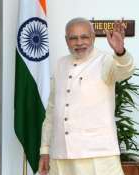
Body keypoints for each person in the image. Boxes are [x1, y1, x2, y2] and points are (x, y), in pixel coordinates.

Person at [38, 17, 135, 175]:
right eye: (73, 38)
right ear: (66, 40)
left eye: (84, 37)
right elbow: (52, 111)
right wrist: (45, 150)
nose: (79, 42)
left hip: (98, 155)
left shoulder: (106, 61)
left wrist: (120, 52)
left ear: (93, 37)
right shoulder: (60, 64)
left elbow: (125, 71)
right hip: (61, 155)